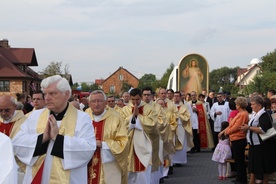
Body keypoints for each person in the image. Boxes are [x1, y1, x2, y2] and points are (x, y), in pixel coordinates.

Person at [12, 75, 96, 184]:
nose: (47, 98)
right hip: (38, 176)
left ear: (66, 94)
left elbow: (88, 149)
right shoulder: (34, 116)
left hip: (70, 179)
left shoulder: (82, 118)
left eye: (52, 93)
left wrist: (58, 138)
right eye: (45, 94)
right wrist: (43, 138)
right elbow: (18, 143)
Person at [87, 90, 128, 184]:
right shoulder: (85, 116)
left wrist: (103, 144)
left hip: (108, 165)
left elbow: (123, 143)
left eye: (100, 101)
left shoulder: (116, 118)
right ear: (89, 103)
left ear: (105, 103)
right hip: (86, 164)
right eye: (93, 101)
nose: (96, 104)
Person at [121, 88, 159, 184]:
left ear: (141, 97)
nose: (135, 102)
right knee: (129, 174)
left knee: (143, 174)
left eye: (137, 99)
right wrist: (132, 117)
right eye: (133, 99)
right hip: (129, 145)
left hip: (143, 146)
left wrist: (139, 117)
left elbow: (153, 125)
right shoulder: (124, 110)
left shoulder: (149, 109)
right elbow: (120, 125)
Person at [240, 96, 274, 184]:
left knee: (263, 168)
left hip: (262, 146)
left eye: (253, 104)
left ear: (259, 105)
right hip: (254, 145)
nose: (251, 106)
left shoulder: (264, 114)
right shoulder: (255, 114)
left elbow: (262, 130)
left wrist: (248, 128)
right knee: (253, 168)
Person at [219, 97, 249, 184]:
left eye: (236, 104)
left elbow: (236, 127)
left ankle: (242, 179)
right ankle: (239, 177)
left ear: (239, 105)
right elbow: (232, 124)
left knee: (239, 160)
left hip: (239, 138)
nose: (235, 105)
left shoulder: (243, 114)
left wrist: (227, 132)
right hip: (235, 138)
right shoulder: (241, 113)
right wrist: (225, 131)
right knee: (237, 159)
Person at [172, 91, 191, 165]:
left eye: (177, 96)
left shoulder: (184, 107)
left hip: (180, 126)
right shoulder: (170, 106)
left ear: (180, 97)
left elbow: (188, 116)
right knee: (172, 143)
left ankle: (179, 161)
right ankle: (172, 161)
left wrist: (179, 116)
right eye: (175, 96)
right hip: (172, 127)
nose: (176, 97)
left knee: (181, 142)